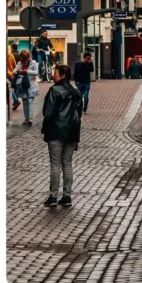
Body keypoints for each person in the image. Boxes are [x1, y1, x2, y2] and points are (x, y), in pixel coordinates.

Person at [41, 64, 82, 209]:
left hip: (56, 131)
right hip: (71, 132)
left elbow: (48, 112)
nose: (53, 75)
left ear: (62, 75)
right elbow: (79, 115)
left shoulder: (54, 91)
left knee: (55, 164)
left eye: (55, 73)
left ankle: (53, 196)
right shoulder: (76, 92)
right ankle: (67, 195)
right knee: (67, 164)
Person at [14, 50, 41, 127]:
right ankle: (26, 119)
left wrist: (27, 71)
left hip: (32, 86)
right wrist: (18, 71)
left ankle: (30, 119)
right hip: (23, 85)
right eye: (23, 58)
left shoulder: (33, 62)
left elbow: (37, 72)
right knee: (25, 102)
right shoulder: (20, 63)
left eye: (25, 58)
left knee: (30, 102)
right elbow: (14, 71)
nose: (24, 60)